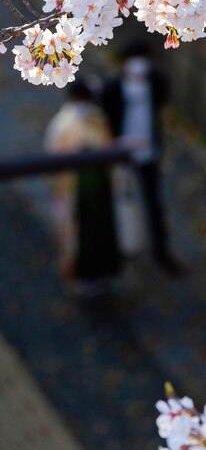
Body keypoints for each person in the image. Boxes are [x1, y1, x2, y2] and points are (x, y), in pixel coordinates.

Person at [101, 39, 182, 275]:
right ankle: (120, 250)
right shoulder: (114, 87)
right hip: (121, 152)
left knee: (153, 203)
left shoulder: (155, 82)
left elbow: (162, 99)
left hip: (149, 151)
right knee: (119, 200)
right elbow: (106, 115)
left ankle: (161, 252)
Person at [45, 78, 123, 295]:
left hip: (99, 185)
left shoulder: (97, 118)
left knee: (103, 232)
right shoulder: (62, 124)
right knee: (78, 236)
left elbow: (109, 145)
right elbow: (54, 155)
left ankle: (105, 272)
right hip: (75, 188)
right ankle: (82, 276)